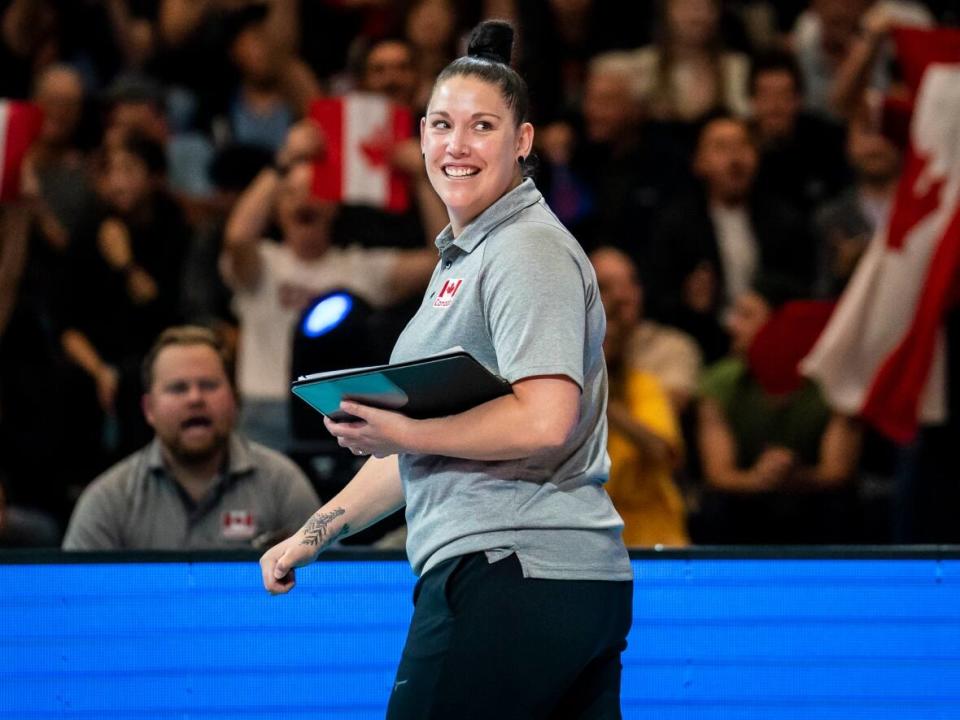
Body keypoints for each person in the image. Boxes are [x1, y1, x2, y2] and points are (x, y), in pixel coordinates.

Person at [259, 20, 634, 719]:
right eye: (440, 124)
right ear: (421, 136)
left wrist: (406, 433)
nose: (456, 145)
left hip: (515, 568)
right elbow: (418, 444)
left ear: (522, 142)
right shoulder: (465, 257)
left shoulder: (526, 248)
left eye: (482, 126)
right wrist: (315, 533)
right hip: (538, 575)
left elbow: (546, 419)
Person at [62, 325, 320, 550]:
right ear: (149, 409)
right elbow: (77, 600)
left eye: (209, 385)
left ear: (234, 399)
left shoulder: (282, 486)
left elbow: (328, 586)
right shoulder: (108, 501)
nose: (195, 398)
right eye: (178, 388)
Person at [592, 247, 690, 548]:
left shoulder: (642, 385)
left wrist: (601, 400)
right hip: (592, 537)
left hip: (653, 540)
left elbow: (664, 451)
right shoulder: (561, 393)